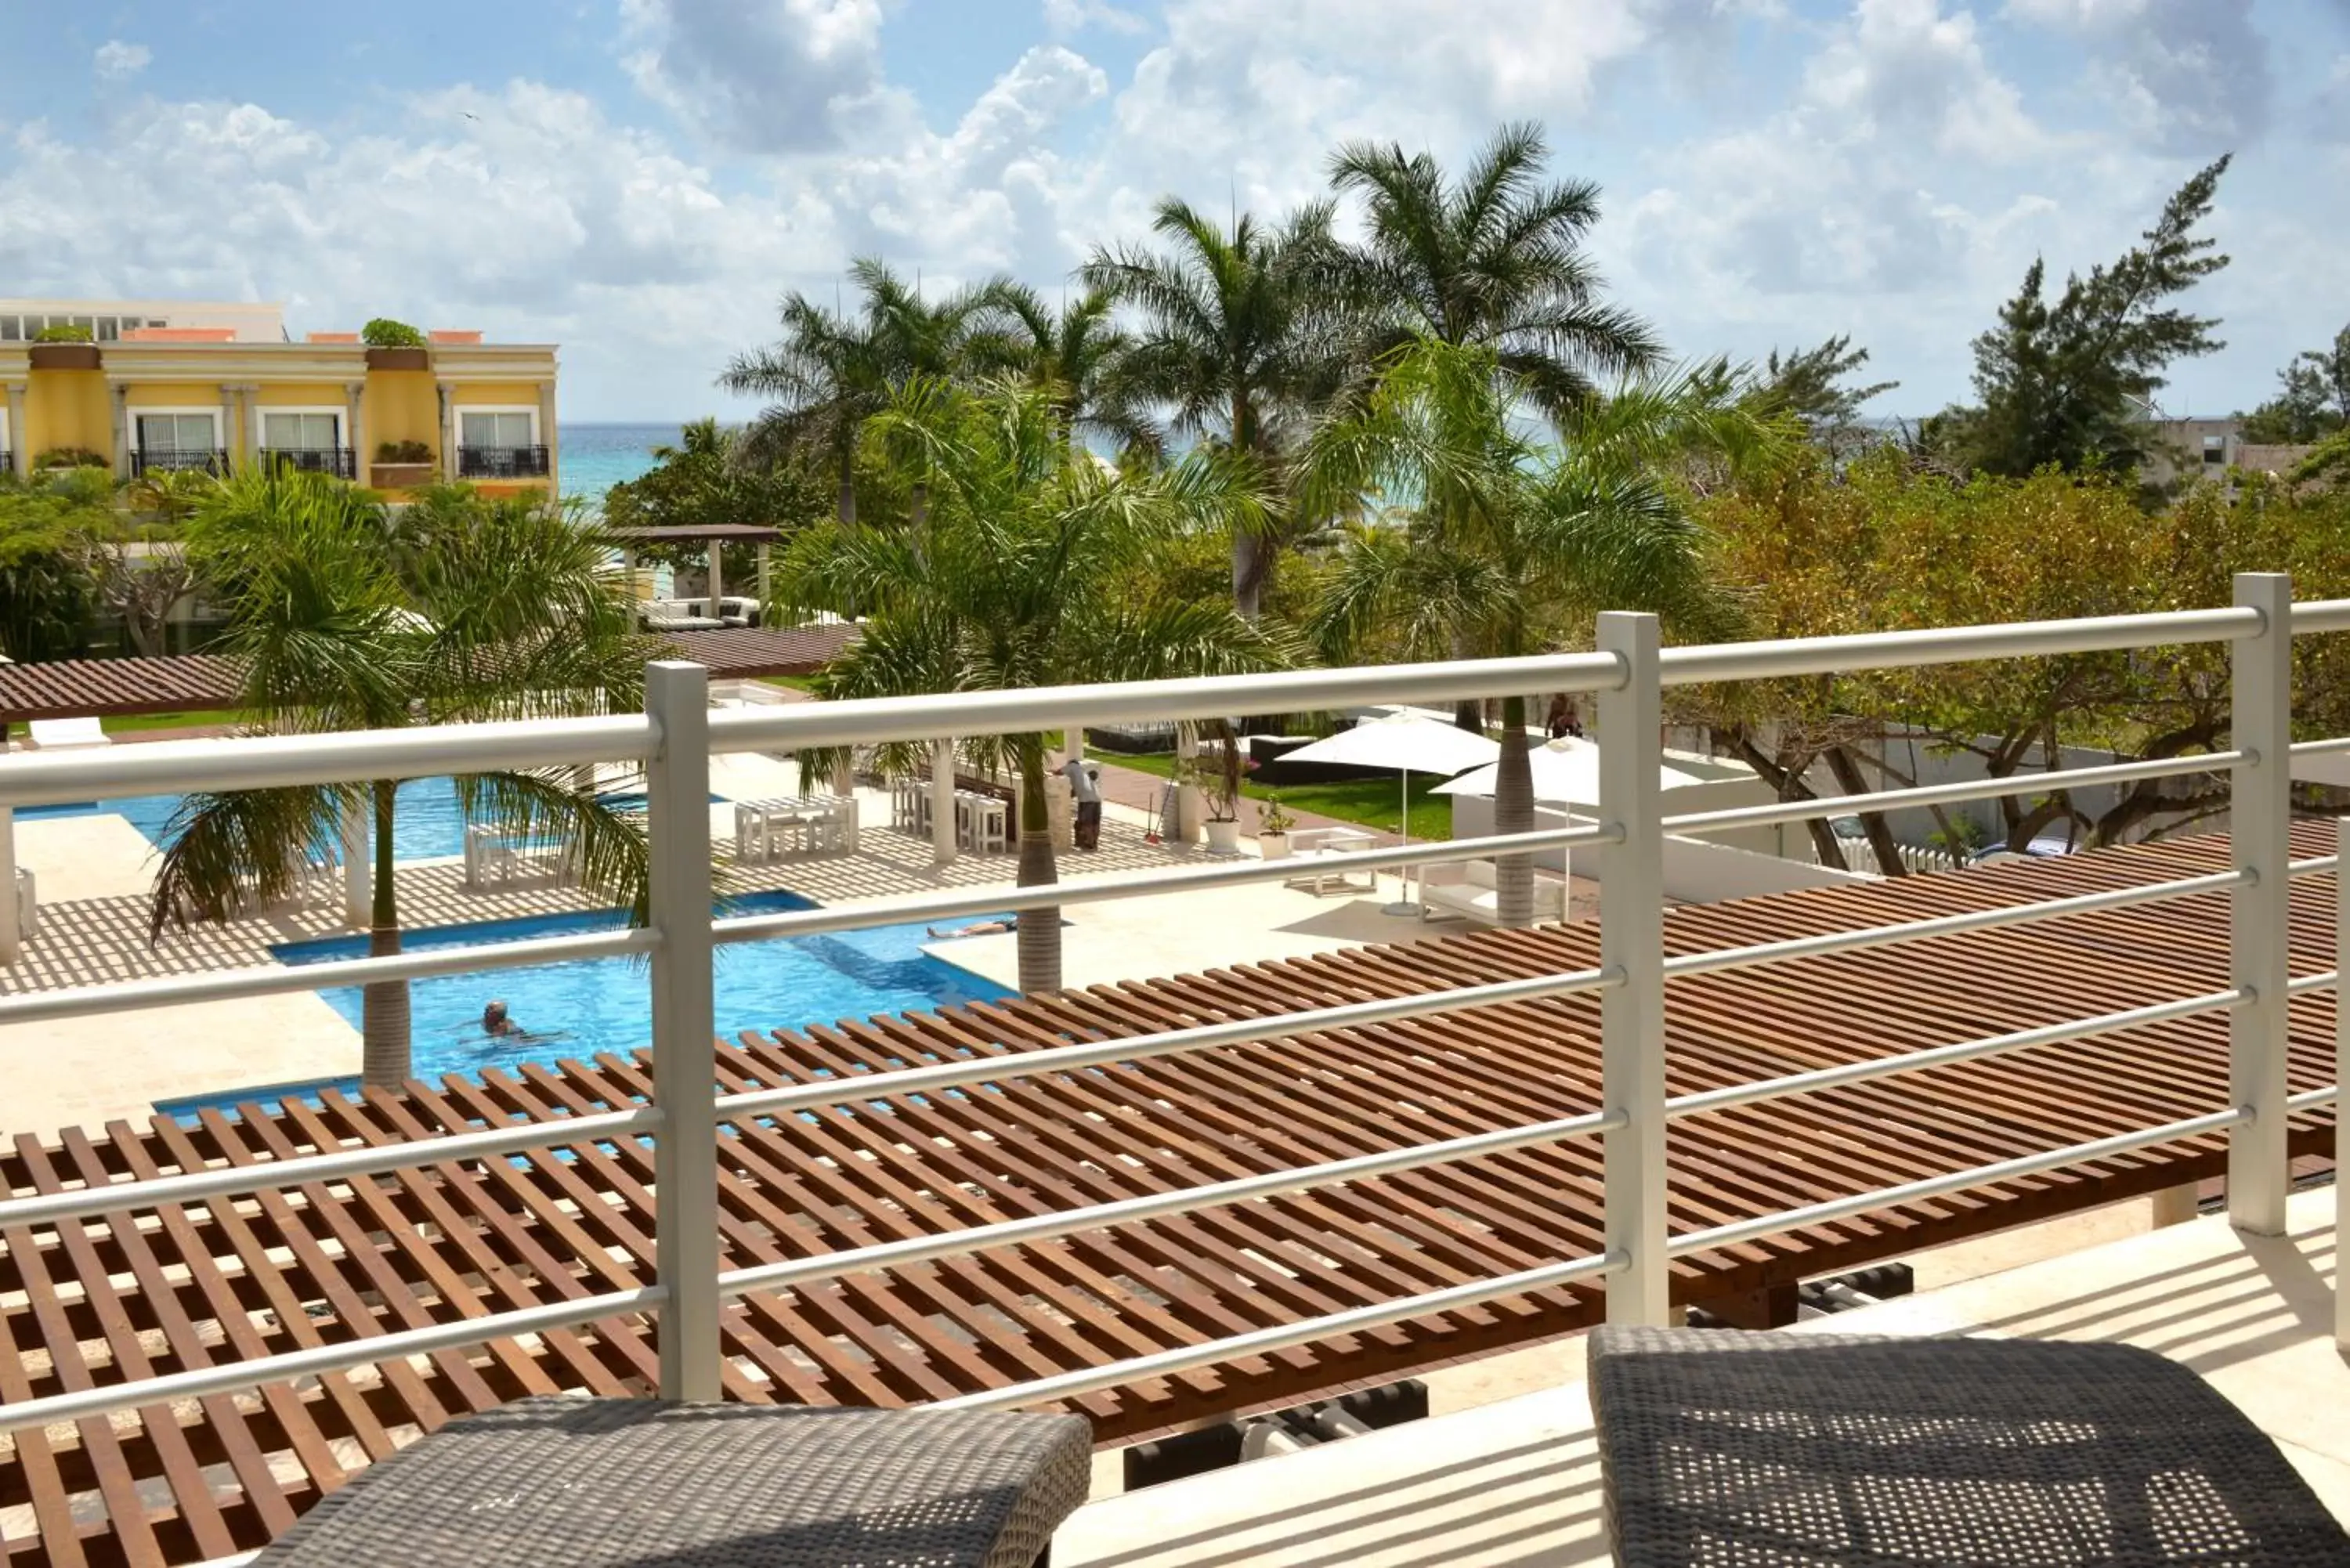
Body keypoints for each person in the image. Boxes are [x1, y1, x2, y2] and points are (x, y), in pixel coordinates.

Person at [1061, 755, 1104, 850]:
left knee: (1086, 824)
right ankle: (1095, 841)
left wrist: (1065, 797)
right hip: (1097, 801)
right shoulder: (1086, 777)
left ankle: (1090, 842)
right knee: (1095, 823)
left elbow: (1075, 792)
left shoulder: (1077, 773)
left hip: (1086, 802)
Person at [927, 916, 1019, 939]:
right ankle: (943, 934)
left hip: (1009, 928)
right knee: (968, 929)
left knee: (972, 932)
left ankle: (939, 936)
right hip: (1005, 922)